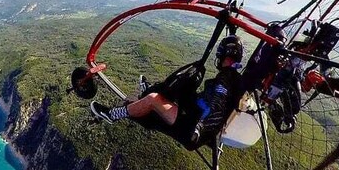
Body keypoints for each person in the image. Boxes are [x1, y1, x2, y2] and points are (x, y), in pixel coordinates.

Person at [90, 35, 244, 149]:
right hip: (196, 118)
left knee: (153, 99)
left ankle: (112, 114)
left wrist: (199, 128)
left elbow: (215, 106)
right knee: (181, 84)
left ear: (222, 54)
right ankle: (147, 91)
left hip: (192, 128)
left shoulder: (225, 79)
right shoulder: (234, 77)